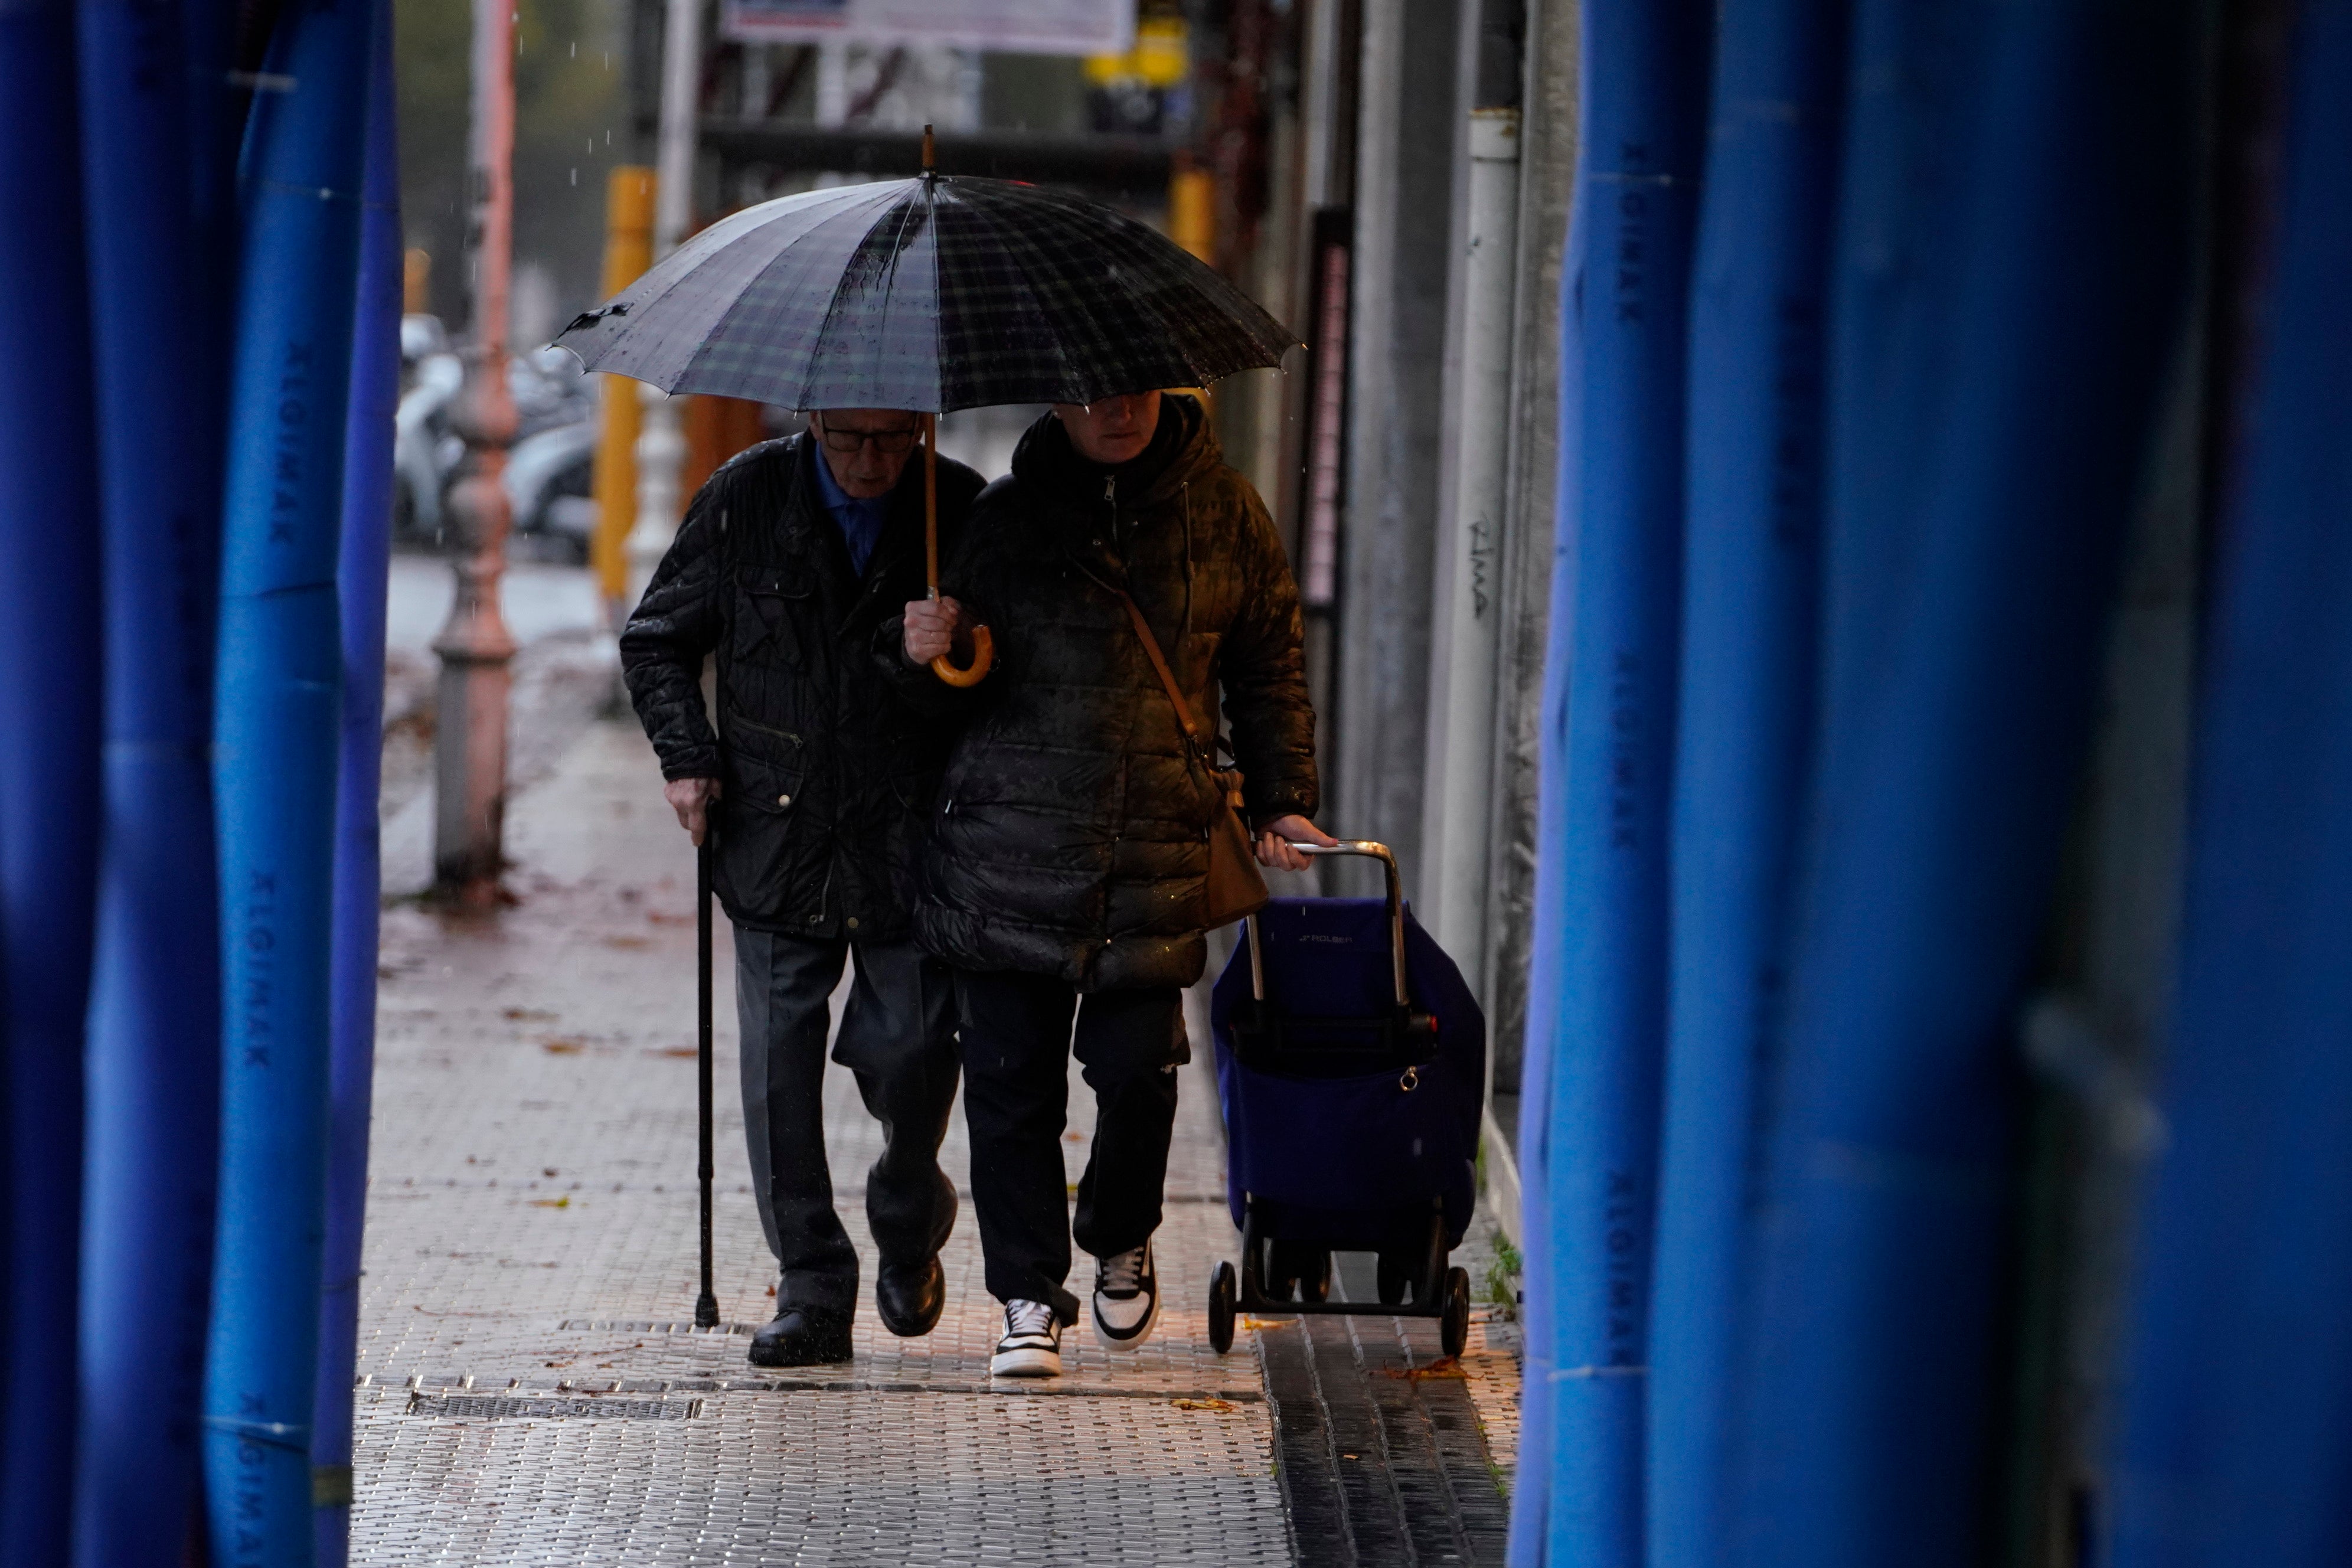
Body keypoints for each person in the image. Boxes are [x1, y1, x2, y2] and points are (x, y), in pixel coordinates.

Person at [897, 389, 1329, 1377]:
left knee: (1139, 1070)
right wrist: (924, 654)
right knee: (1010, 1086)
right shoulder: (1001, 519)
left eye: (1134, 388)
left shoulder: (1225, 513)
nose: (1115, 410)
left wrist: (1281, 798)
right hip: (1008, 846)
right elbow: (937, 698)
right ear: (1059, 400)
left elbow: (1270, 665)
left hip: (1154, 844)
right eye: (1091, 393)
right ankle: (1024, 1295)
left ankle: (1121, 1231)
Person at [622, 408, 985, 1367]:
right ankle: (812, 1282)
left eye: (893, 439)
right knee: (780, 1063)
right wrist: (686, 756)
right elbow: (656, 637)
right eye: (850, 439)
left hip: (911, 839)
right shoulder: (747, 498)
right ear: (816, 419)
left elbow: (1003, 681)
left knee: (912, 1050)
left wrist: (953, 652)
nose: (872, 462)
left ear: (921, 425)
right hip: (775, 831)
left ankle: (910, 1217)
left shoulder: (962, 509)